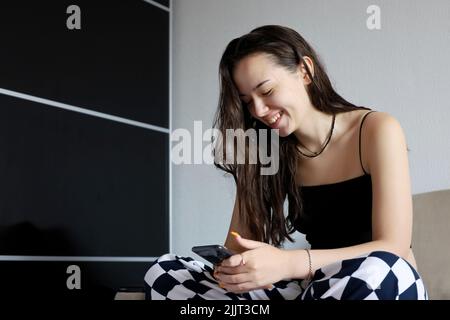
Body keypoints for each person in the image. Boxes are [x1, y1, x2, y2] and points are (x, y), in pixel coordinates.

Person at [144, 25, 428, 300]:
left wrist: (287, 263)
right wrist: (234, 270)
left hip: (377, 283)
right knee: (166, 273)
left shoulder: (376, 129)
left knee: (377, 271)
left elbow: (393, 248)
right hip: (312, 288)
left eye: (266, 91)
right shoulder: (264, 148)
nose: (258, 110)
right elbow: (238, 245)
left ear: (304, 71)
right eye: (247, 101)